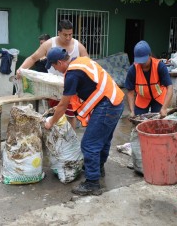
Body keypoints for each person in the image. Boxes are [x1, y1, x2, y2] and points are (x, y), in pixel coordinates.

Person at [44, 47, 125, 196]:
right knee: (103, 140)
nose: (55, 69)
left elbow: (62, 105)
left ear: (60, 62)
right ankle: (97, 169)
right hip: (116, 100)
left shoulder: (72, 74)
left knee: (89, 144)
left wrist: (51, 122)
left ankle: (92, 183)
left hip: (108, 104)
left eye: (54, 66)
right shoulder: (80, 61)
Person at [17, 20, 89, 129]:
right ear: (59, 32)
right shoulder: (49, 44)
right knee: (56, 113)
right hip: (54, 85)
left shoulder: (78, 46)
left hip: (71, 84)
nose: (68, 37)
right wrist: (21, 69)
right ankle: (56, 136)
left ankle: (71, 138)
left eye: (70, 34)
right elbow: (33, 58)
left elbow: (88, 64)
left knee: (70, 114)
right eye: (65, 35)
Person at [124, 40, 173, 176]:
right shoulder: (133, 69)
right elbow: (130, 91)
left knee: (158, 127)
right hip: (142, 98)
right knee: (138, 128)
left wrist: (164, 108)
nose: (142, 64)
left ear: (150, 55)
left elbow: (169, 87)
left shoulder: (160, 66)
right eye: (139, 61)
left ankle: (158, 156)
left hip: (158, 97)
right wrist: (132, 111)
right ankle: (137, 158)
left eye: (144, 60)